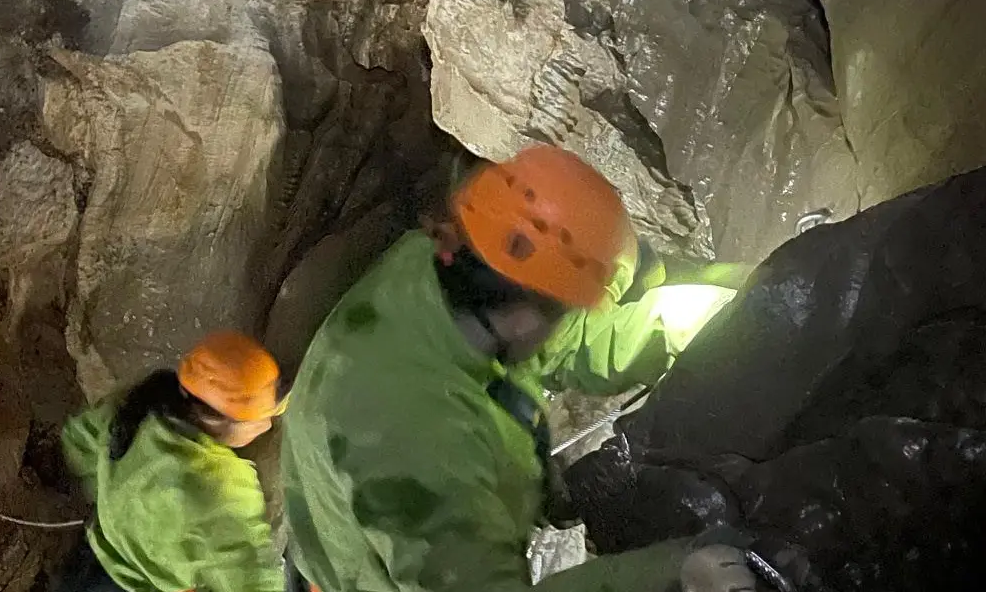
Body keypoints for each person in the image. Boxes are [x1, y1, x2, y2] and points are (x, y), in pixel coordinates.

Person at [280, 144, 766, 592]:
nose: (569, 324)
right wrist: (676, 567)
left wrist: (670, 325)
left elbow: (550, 347)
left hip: (357, 508)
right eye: (571, 310)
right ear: (526, 316)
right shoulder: (424, 449)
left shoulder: (444, 269)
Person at [54, 330, 289, 592]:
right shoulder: (222, 489)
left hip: (91, 560)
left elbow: (77, 441)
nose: (268, 425)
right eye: (262, 418)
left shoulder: (136, 406)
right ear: (221, 421)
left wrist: (115, 501)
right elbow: (253, 578)